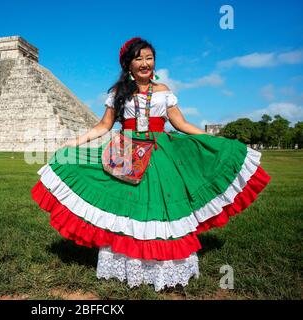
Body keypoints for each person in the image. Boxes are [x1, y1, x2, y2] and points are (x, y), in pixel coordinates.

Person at [31, 37, 271, 291]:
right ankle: (127, 264)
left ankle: (163, 268)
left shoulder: (163, 91)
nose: (145, 63)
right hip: (126, 152)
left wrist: (213, 140)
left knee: (162, 207)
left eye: (149, 58)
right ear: (128, 65)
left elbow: (181, 124)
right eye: (139, 58)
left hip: (160, 153)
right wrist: (74, 143)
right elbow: (104, 126)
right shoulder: (117, 94)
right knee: (129, 207)